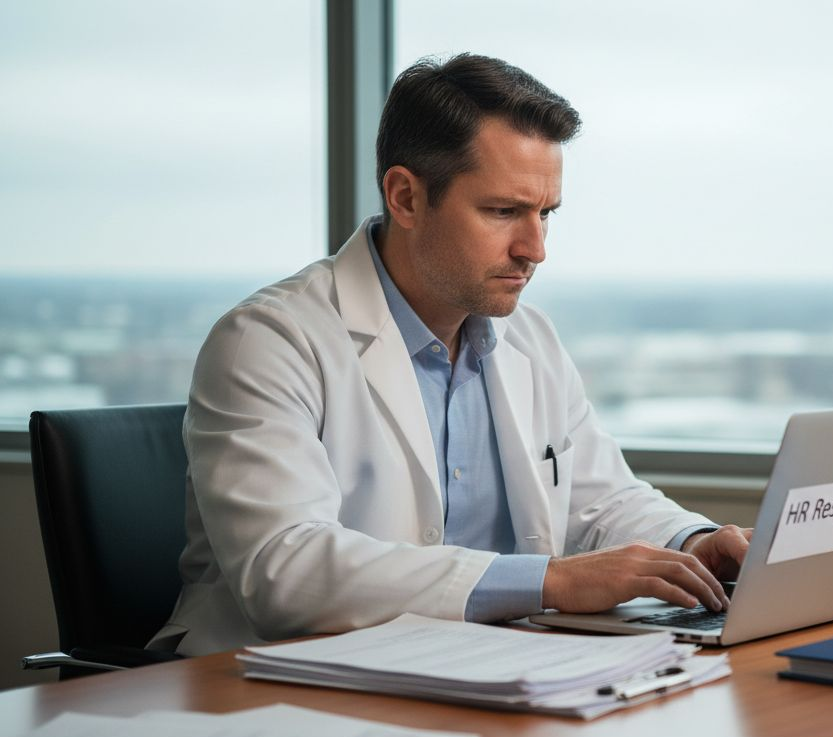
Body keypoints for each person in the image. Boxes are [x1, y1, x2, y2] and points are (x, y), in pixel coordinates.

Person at [150, 54, 751, 656]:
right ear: (406, 197)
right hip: (266, 685)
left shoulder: (530, 339)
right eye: (503, 211)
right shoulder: (268, 340)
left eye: (545, 214)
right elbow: (287, 570)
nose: (535, 249)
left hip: (469, 671)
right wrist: (549, 582)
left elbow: (602, 500)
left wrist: (692, 543)